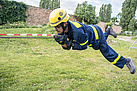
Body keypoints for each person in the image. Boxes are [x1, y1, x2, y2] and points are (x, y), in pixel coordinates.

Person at [49, 8, 136, 74]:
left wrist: (71, 44)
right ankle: (107, 31)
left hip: (95, 34)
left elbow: (83, 46)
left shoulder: (77, 32)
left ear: (65, 23)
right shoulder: (63, 29)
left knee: (106, 52)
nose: (56, 29)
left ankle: (126, 61)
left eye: (57, 26)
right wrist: (64, 44)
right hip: (91, 34)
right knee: (98, 45)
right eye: (54, 27)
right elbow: (66, 45)